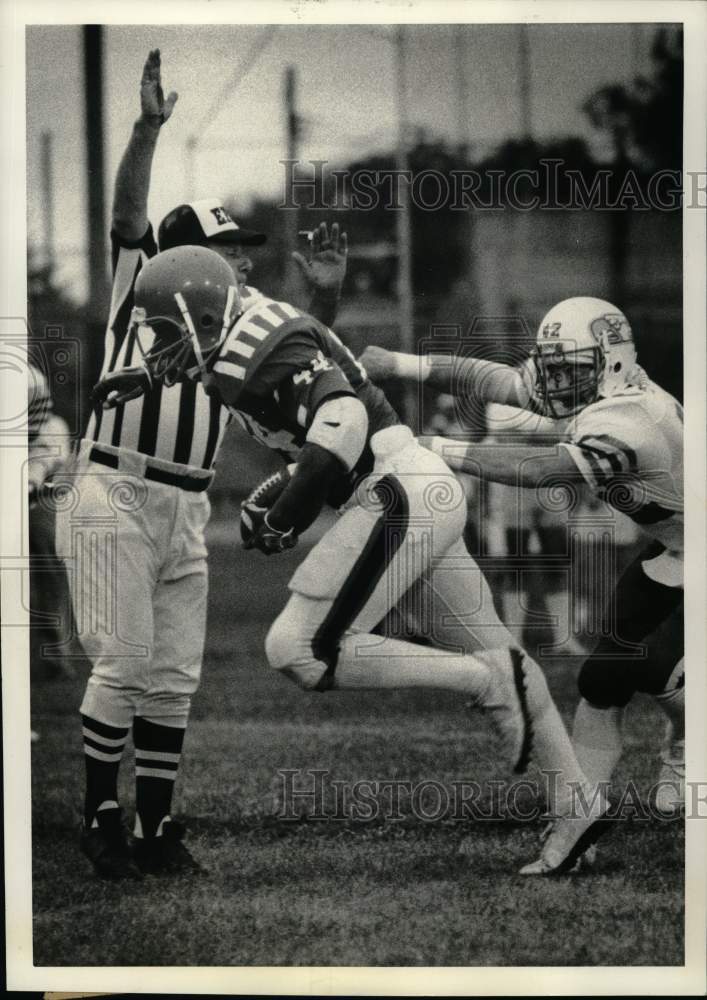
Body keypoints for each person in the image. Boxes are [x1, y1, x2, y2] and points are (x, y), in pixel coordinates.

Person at [94, 249, 616, 876]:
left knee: (298, 650)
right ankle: (577, 803)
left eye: (170, 331)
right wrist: (150, 378)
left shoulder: (243, 352)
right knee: (506, 649)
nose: (165, 347)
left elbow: (341, 422)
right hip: (422, 487)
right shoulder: (253, 320)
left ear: (204, 319)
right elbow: (292, 358)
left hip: (393, 493)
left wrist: (287, 511)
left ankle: (480, 681)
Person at [57, 49, 347, 880]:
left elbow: (309, 361)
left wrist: (322, 297)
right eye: (226, 249)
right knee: (124, 662)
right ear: (185, 260)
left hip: (181, 506)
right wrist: (148, 129)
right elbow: (126, 214)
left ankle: (156, 826)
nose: (241, 263)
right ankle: (100, 818)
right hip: (116, 485)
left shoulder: (234, 331)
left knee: (173, 676)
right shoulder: (141, 292)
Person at [361, 296, 685, 838]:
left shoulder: (632, 421)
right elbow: (494, 380)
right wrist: (399, 364)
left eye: (568, 369)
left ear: (614, 360)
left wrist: (433, 447)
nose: (553, 383)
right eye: (552, 366)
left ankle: (685, 744)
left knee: (654, 667)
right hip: (675, 548)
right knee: (602, 677)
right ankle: (581, 812)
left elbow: (542, 469)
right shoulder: (601, 388)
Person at [27, 363, 73, 741]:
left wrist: (28, 479)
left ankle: (56, 654)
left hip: (41, 507)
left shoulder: (53, 426)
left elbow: (45, 466)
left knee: (49, 581)